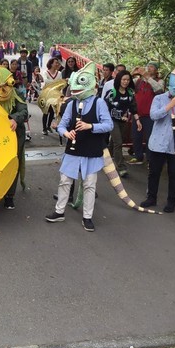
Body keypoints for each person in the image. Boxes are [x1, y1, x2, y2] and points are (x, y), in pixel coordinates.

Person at [45, 62, 113, 232]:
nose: (74, 90)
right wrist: (65, 133)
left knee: (90, 184)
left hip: (92, 150)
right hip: (73, 150)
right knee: (64, 181)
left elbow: (108, 125)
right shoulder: (72, 104)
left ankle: (87, 217)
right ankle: (59, 211)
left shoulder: (99, 103)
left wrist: (91, 126)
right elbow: (62, 125)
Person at [140, 65, 175, 213]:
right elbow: (153, 115)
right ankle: (151, 198)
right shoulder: (159, 98)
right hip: (158, 143)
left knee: (174, 174)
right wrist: (170, 105)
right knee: (154, 172)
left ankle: (172, 201)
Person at [0, 65, 29, 209]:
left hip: (15, 136)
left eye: (7, 85)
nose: (3, 90)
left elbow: (24, 111)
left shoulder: (17, 94)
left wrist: (14, 118)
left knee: (12, 165)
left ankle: (9, 196)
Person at [104, 70, 140, 177]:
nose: (126, 82)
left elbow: (133, 108)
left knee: (114, 142)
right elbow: (104, 107)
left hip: (123, 122)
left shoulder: (130, 93)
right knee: (118, 143)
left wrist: (138, 121)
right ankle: (121, 168)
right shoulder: (112, 93)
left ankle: (105, 158)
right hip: (111, 120)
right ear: (119, 80)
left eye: (128, 80)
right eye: (124, 79)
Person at [130, 62, 165, 164]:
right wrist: (133, 73)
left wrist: (148, 78)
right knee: (136, 137)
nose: (149, 68)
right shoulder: (138, 81)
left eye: (152, 67)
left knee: (150, 137)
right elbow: (126, 84)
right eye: (148, 66)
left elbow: (159, 90)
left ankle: (151, 159)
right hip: (137, 115)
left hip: (150, 115)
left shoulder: (159, 81)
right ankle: (138, 157)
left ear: (156, 70)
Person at [42, 57, 63, 134]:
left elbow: (60, 84)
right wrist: (55, 83)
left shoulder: (59, 73)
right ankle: (44, 128)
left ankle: (48, 126)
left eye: (58, 63)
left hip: (55, 95)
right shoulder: (46, 73)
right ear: (51, 64)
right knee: (46, 111)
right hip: (47, 94)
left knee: (52, 111)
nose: (57, 64)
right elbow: (46, 81)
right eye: (56, 63)